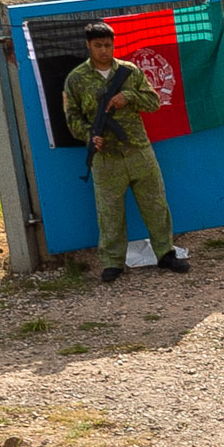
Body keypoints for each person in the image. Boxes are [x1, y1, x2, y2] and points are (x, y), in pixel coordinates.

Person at [64, 20, 185, 283]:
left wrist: (128, 97)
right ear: (88, 46)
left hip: (138, 150)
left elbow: (154, 101)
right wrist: (89, 135)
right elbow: (71, 117)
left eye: (108, 45)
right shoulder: (76, 79)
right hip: (106, 157)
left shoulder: (129, 72)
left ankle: (165, 253)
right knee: (109, 213)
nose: (104, 51)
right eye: (98, 46)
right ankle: (113, 263)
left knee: (156, 205)